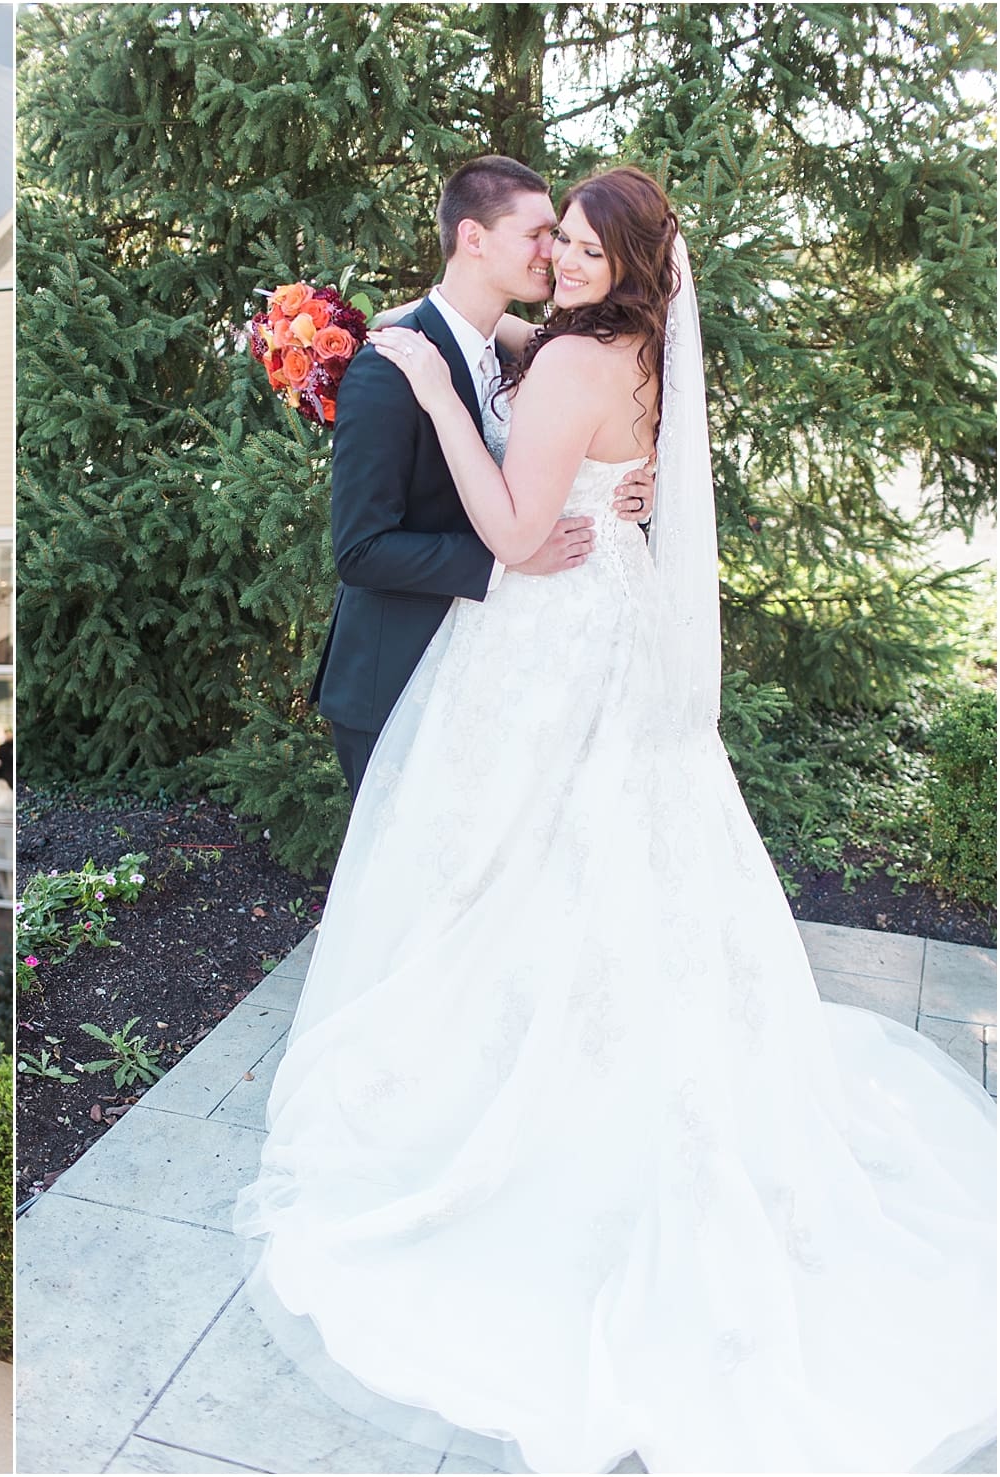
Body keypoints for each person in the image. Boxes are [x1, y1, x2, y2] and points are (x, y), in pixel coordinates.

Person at [233, 165, 996, 1474]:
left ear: (621, 260)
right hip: (596, 633)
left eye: (577, 244)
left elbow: (519, 524)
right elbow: (488, 442)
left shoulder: (557, 357)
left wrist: (446, 405)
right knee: (569, 873)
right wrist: (468, 390)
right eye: (547, 239)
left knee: (519, 873)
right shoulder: (612, 345)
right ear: (488, 244)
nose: (557, 258)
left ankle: (511, 1120)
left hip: (546, 639)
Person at [312, 155, 659, 798]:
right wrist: (507, 561)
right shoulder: (392, 368)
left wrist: (641, 481)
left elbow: (601, 423)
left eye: (562, 237)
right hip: (396, 677)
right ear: (473, 238)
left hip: (496, 676)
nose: (552, 253)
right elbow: (360, 551)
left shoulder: (531, 350)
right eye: (540, 235)